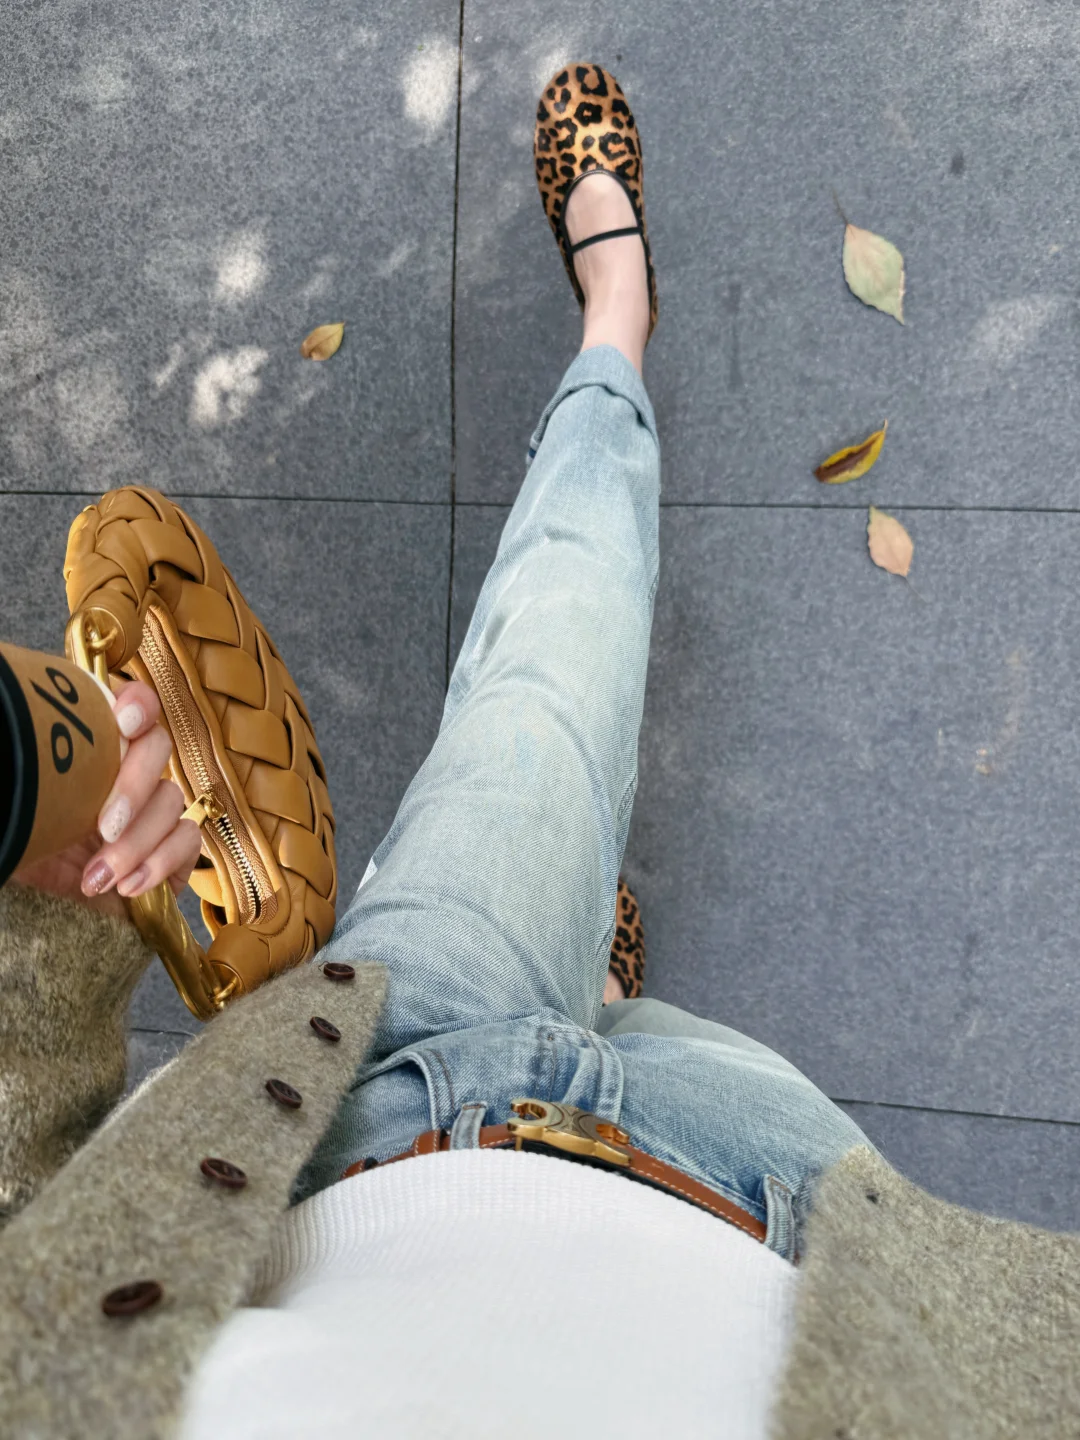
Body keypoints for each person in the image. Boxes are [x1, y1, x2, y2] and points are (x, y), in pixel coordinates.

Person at [0, 62, 1076, 1440]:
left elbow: (24, 1217)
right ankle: (592, 985)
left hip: (370, 1096)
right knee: (565, 705)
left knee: (563, 618)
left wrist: (58, 901)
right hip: (790, 1204)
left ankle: (615, 324)